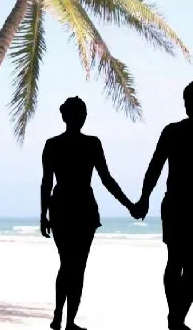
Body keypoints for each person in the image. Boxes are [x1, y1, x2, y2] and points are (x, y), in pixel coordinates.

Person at [40, 96, 134, 330]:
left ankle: (59, 315)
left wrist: (43, 215)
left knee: (66, 264)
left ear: (64, 116)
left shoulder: (52, 145)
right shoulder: (92, 144)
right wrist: (129, 205)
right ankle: (69, 320)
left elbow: (46, 183)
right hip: (82, 208)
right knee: (77, 266)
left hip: (60, 207)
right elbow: (107, 180)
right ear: (81, 117)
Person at [134, 81, 193, 330]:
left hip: (174, 204)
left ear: (186, 104)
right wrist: (145, 197)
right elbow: (155, 167)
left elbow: (154, 168)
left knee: (175, 261)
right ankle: (176, 318)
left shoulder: (172, 131)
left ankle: (175, 317)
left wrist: (144, 198)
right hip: (187, 206)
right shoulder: (173, 131)